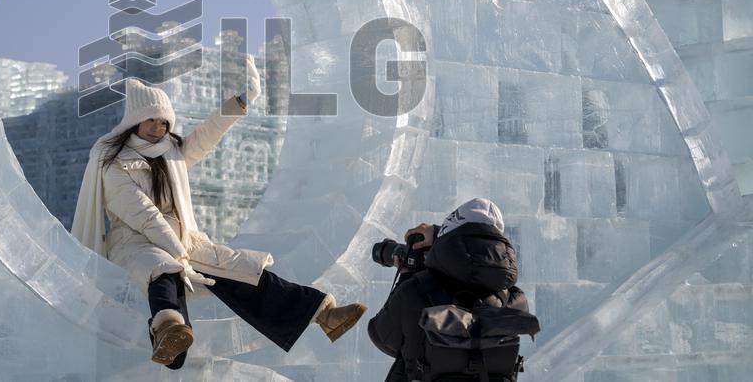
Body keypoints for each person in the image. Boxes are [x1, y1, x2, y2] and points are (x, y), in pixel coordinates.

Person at [71, 56, 366, 368]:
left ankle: (325, 314)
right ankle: (168, 331)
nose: (159, 128)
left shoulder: (171, 152)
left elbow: (205, 136)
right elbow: (144, 215)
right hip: (135, 242)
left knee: (240, 268)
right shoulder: (114, 163)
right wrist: (179, 255)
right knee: (162, 269)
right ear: (135, 121)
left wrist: (240, 102)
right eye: (152, 120)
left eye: (165, 122)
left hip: (184, 239)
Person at [367, 198, 530, 382]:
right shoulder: (515, 302)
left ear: (448, 236)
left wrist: (406, 275)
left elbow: (382, 337)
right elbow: (479, 258)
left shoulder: (415, 292)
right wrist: (440, 237)